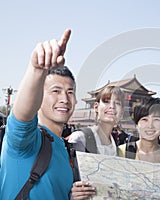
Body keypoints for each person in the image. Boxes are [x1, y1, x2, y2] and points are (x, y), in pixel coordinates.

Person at [0, 29, 79, 199]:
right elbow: (22, 116)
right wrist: (37, 70)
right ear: (39, 97)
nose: (64, 98)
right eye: (55, 91)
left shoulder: (66, 149)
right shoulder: (25, 140)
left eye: (70, 92)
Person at [69, 85, 124, 199]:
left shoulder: (117, 149)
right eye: (106, 101)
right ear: (96, 107)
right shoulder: (80, 138)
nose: (112, 107)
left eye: (117, 103)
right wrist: (72, 193)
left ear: (122, 112)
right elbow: (66, 181)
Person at [118, 97, 160, 163]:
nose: (150, 126)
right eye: (145, 119)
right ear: (136, 124)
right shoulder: (121, 152)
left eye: (156, 120)